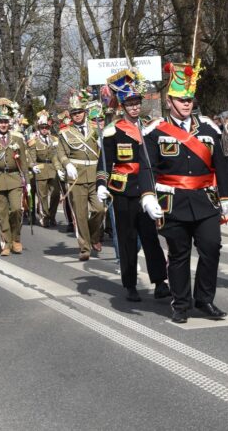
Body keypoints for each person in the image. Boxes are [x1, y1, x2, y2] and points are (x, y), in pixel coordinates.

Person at [138, 60, 228, 323]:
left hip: (205, 200)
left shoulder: (210, 128)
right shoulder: (154, 131)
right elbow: (147, 167)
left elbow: (224, 164)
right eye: (181, 99)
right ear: (169, 101)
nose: (187, 103)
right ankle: (181, 303)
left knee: (211, 247)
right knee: (179, 253)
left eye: (190, 98)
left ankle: (205, 299)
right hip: (173, 201)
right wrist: (148, 195)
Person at [99, 70, 169, 301]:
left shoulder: (150, 127)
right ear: (122, 106)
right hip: (124, 192)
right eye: (130, 104)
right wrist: (102, 184)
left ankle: (160, 281)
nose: (135, 108)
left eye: (137, 103)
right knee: (127, 238)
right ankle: (130, 284)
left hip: (147, 189)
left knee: (151, 237)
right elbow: (105, 162)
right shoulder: (113, 131)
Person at [54, 91, 106, 261]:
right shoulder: (65, 133)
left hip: (95, 175)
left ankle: (94, 236)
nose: (77, 116)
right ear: (71, 115)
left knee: (100, 209)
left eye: (80, 112)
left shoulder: (96, 128)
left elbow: (104, 150)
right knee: (81, 214)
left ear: (85, 112)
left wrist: (102, 142)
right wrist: (67, 165)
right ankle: (84, 247)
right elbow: (61, 152)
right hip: (76, 176)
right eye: (74, 113)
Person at [0, 98, 33, 256]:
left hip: (14, 178)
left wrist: (28, 181)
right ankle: (5, 243)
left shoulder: (17, 138)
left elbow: (23, 161)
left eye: (5, 121)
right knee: (1, 213)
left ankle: (16, 238)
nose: (3, 124)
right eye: (0, 121)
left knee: (17, 209)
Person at [28, 111, 61, 228]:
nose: (44, 129)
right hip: (40, 169)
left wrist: (61, 168)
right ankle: (44, 216)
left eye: (46, 127)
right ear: (39, 128)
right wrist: (33, 166)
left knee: (56, 193)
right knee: (42, 195)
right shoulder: (34, 140)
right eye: (42, 127)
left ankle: (52, 215)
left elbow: (59, 155)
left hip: (53, 169)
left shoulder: (55, 139)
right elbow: (30, 156)